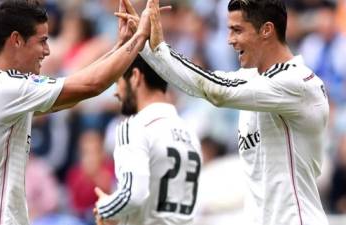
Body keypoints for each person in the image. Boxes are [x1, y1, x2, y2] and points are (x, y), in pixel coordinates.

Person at [117, 0, 330, 224]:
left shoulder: (297, 82)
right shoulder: (251, 80)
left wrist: (160, 48)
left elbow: (217, 91)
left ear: (266, 30)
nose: (230, 40)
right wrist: (143, 44)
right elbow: (199, 84)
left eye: (237, 30)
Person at [0, 0, 152, 225]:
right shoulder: (7, 90)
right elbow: (91, 86)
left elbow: (76, 88)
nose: (47, 51)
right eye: (42, 41)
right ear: (16, 40)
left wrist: (120, 46)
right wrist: (140, 37)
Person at [93, 55, 202, 225]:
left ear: (135, 76)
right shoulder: (190, 133)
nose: (116, 92)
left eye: (117, 81)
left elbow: (133, 196)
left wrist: (104, 207)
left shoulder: (133, 127)